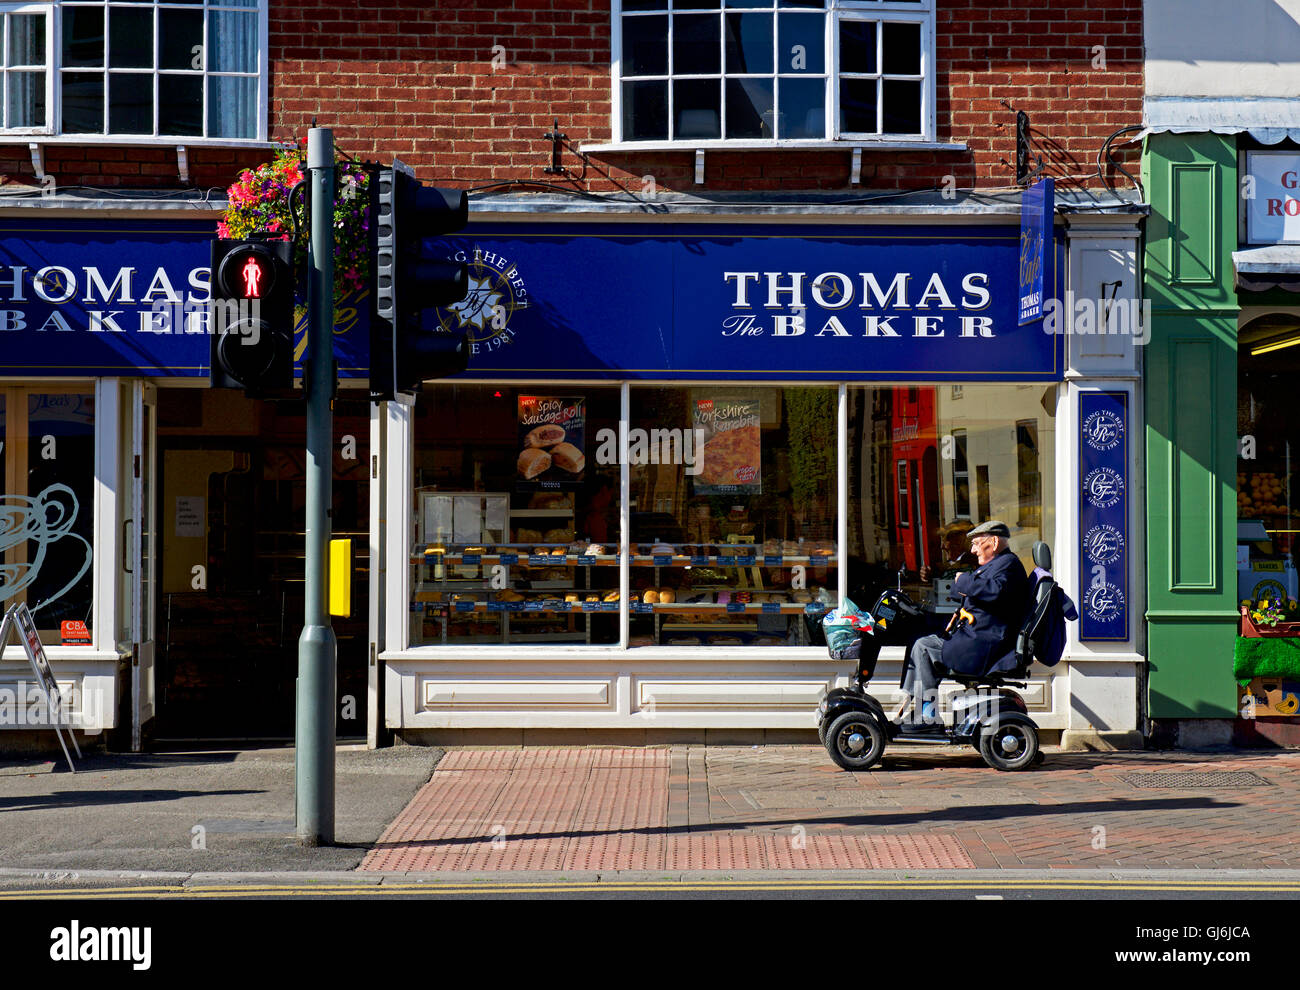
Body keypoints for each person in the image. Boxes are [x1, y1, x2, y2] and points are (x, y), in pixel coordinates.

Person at [897, 519, 1029, 730]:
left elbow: (992, 591)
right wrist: (964, 583)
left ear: (993, 542)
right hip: (978, 637)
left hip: (984, 644)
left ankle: (927, 715)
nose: (974, 550)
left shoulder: (1008, 565)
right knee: (922, 641)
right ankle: (920, 706)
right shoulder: (998, 564)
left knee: (923, 647)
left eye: (976, 544)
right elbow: (961, 592)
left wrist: (964, 580)